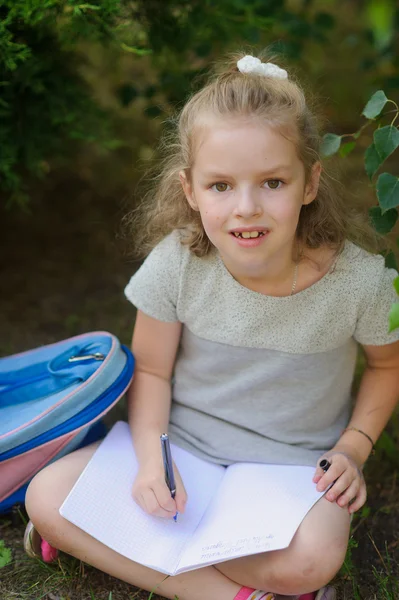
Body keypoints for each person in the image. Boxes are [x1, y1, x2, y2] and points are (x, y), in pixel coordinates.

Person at [24, 52, 399, 600]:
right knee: (49, 494)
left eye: (272, 181)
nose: (246, 207)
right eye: (220, 186)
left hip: (291, 467)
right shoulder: (177, 263)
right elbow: (151, 369)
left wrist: (352, 450)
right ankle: (233, 595)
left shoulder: (360, 281)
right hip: (182, 451)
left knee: (312, 558)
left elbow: (387, 366)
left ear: (310, 183)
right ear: (190, 190)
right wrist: (152, 463)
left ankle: (114, 547)